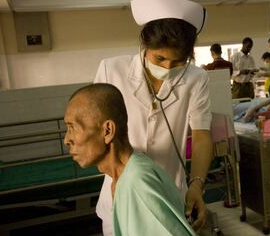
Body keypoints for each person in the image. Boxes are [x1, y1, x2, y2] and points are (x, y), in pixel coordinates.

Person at [94, 0, 213, 234]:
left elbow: (201, 136)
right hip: (120, 193)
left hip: (170, 195)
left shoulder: (196, 79)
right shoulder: (111, 70)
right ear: (144, 46)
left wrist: (197, 186)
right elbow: (98, 135)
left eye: (178, 62)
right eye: (159, 59)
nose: (168, 67)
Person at [64, 84, 196, 236]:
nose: (67, 140)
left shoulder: (137, 182)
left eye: (72, 128)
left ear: (107, 131)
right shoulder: (122, 179)